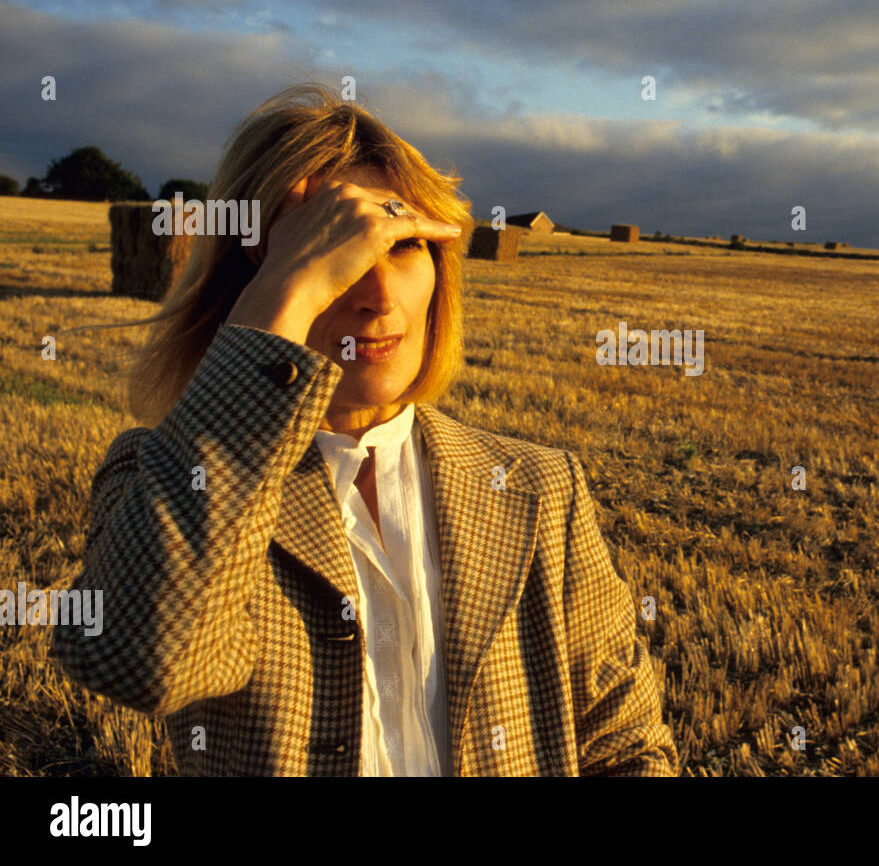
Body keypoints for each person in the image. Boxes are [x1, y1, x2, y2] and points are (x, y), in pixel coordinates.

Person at [51, 83, 678, 776]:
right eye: (334, 252)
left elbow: (627, 747)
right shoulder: (168, 479)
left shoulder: (542, 488)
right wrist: (281, 302)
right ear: (255, 283)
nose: (378, 297)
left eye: (403, 247)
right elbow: (142, 661)